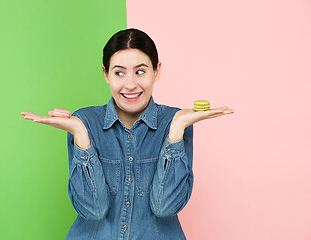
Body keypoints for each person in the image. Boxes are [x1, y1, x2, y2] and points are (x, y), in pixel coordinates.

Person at [21, 28, 234, 240]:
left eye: (140, 71)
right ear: (105, 73)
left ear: (156, 70)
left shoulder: (176, 121)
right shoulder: (83, 122)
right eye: (119, 73)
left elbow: (165, 207)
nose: (130, 84)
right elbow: (92, 210)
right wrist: (80, 136)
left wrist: (176, 130)